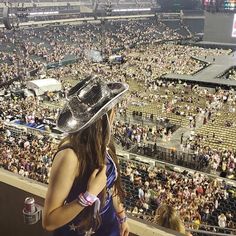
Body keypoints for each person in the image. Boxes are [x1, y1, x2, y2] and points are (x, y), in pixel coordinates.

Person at [42, 76, 129, 236]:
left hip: (108, 228)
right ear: (103, 117)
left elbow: (108, 187)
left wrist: (121, 216)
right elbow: (49, 221)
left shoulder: (105, 144)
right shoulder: (70, 156)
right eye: (112, 109)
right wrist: (88, 196)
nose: (115, 113)